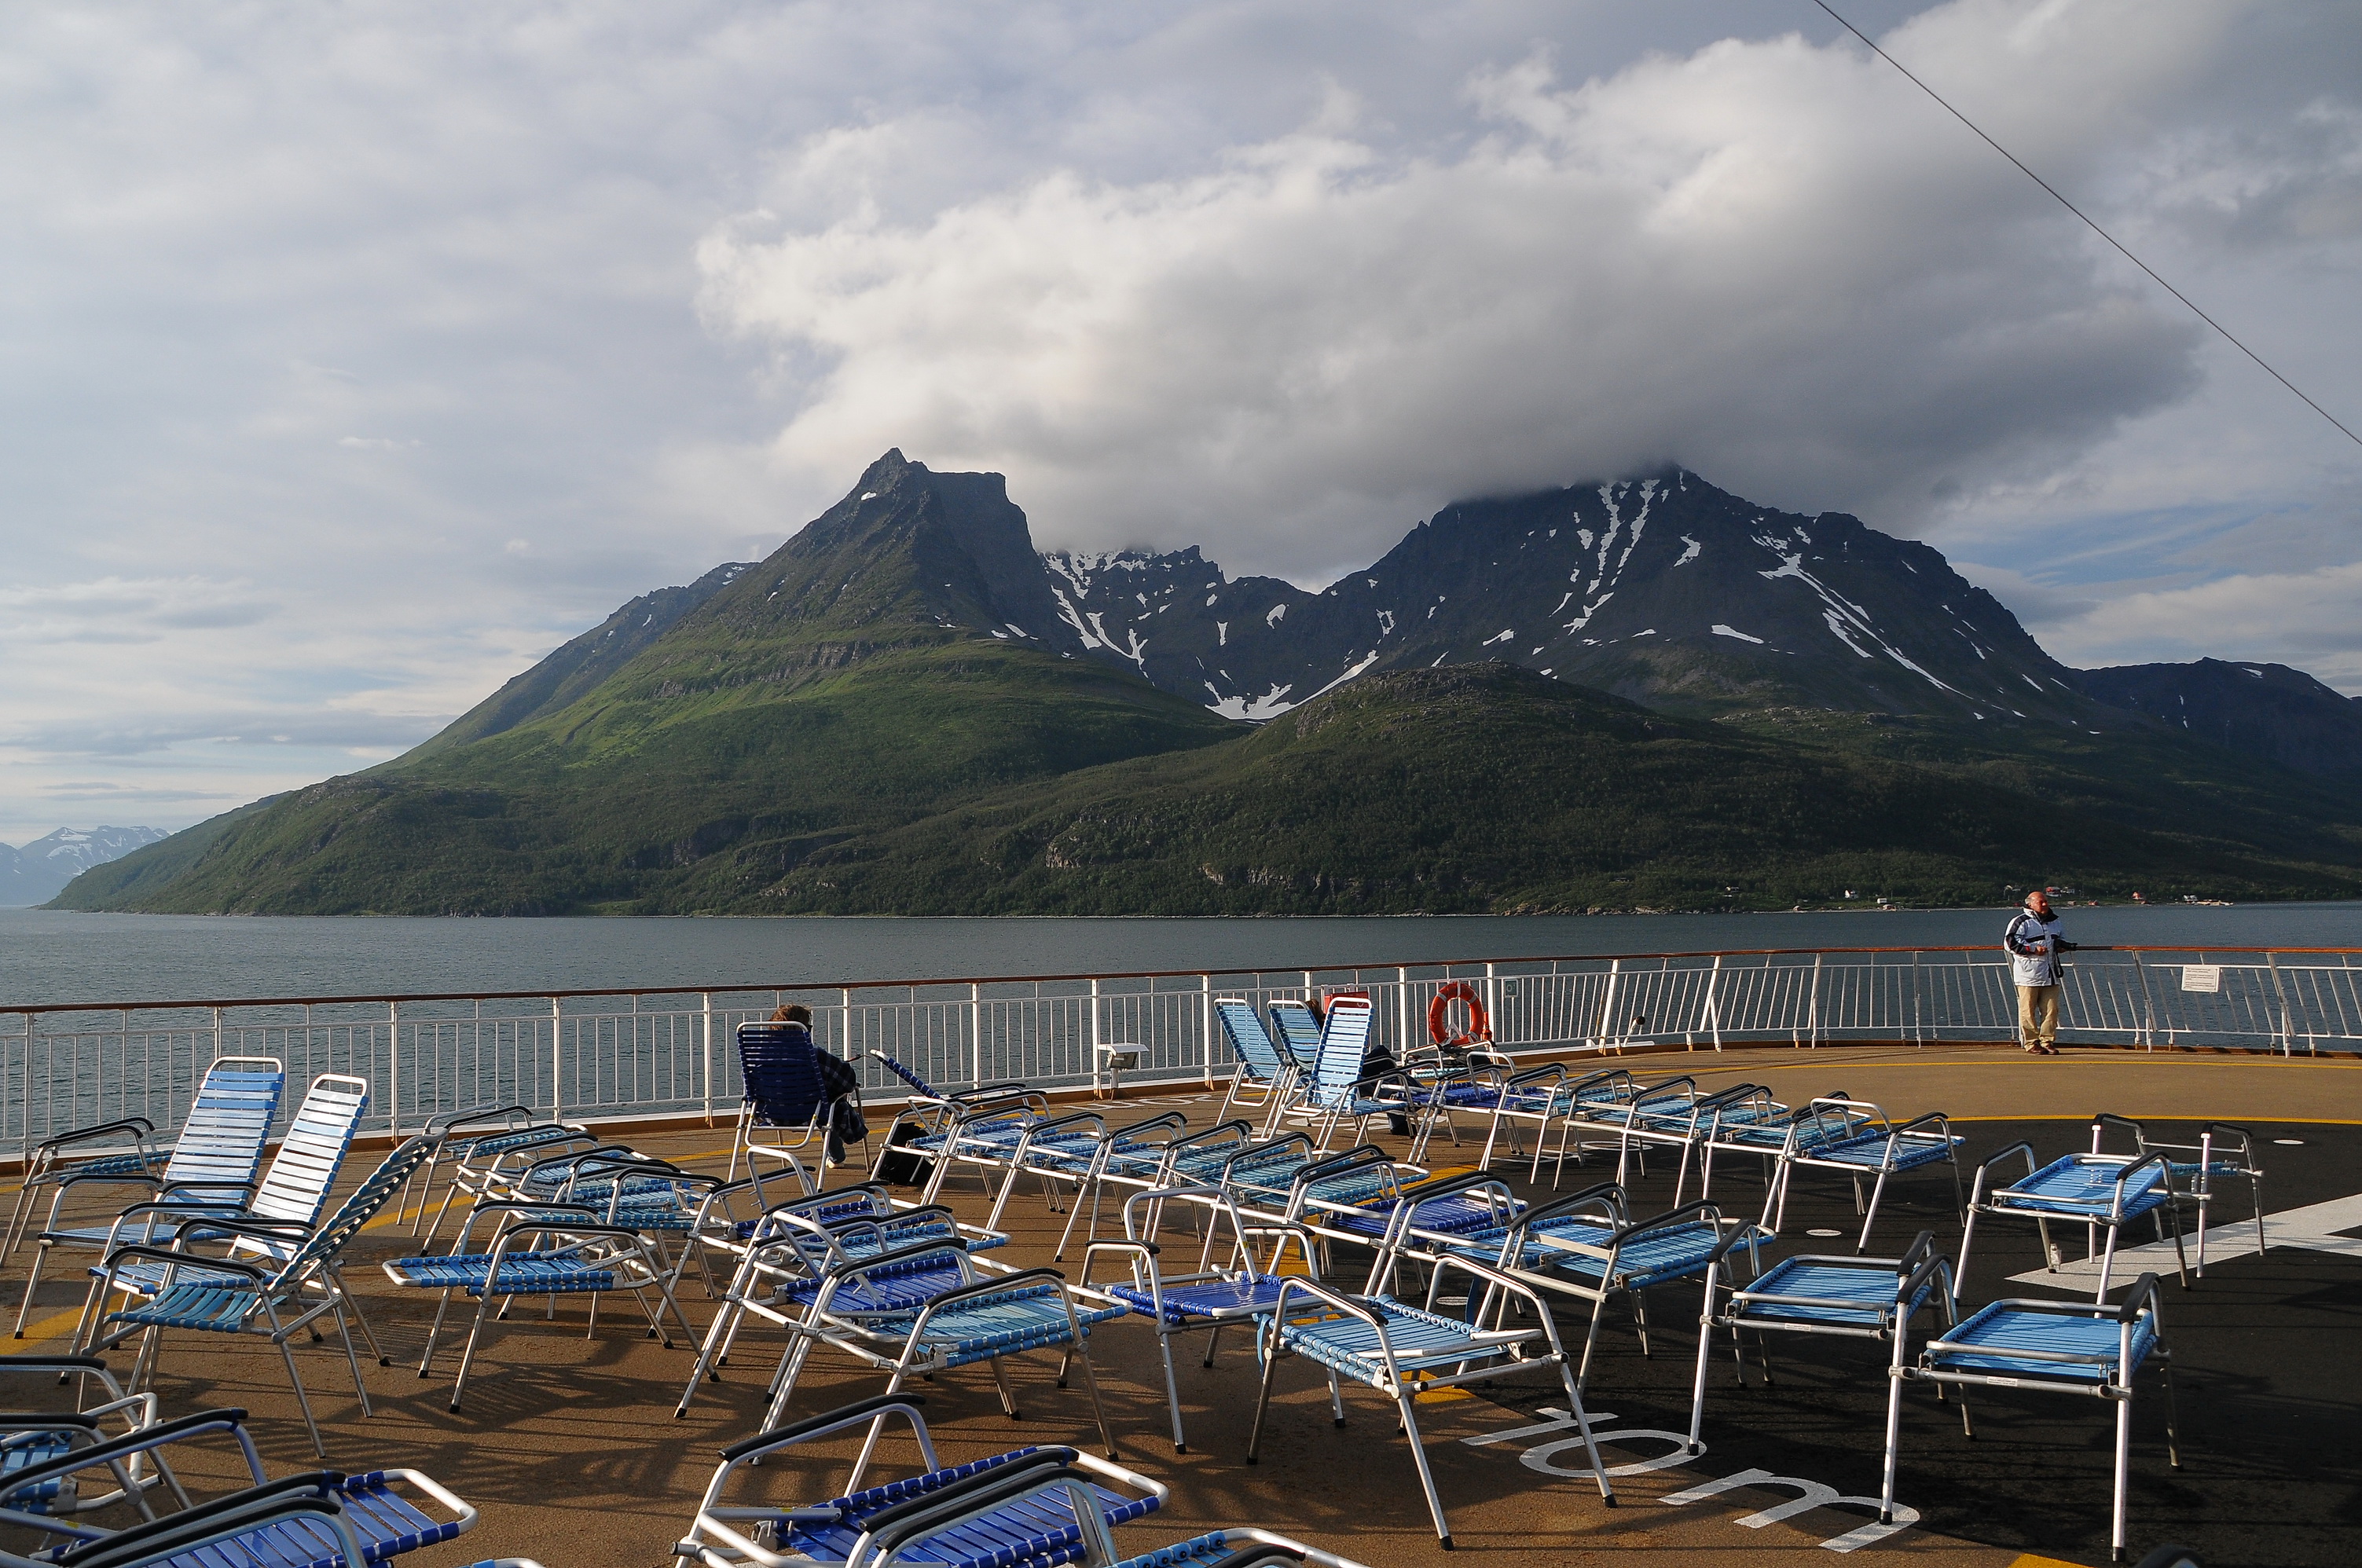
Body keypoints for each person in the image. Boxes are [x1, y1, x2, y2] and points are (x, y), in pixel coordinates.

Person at [770, 1002, 868, 1164]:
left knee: (827, 1100)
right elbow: (849, 1081)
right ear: (803, 1031)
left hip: (772, 1115)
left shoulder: (757, 1059)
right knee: (832, 1102)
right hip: (810, 1114)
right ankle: (836, 1157)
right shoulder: (815, 1056)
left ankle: (836, 1156)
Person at [2003, 889, 2078, 1054]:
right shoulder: (2020, 922)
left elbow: (2058, 938)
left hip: (2050, 973)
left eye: (2046, 901)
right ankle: (2031, 1043)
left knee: (2051, 1010)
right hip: (2028, 975)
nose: (2045, 904)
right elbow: (2010, 944)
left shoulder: (2055, 921)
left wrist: (2061, 946)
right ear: (2030, 904)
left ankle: (2047, 1041)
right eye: (2041, 902)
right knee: (2027, 1011)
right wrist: (2032, 949)